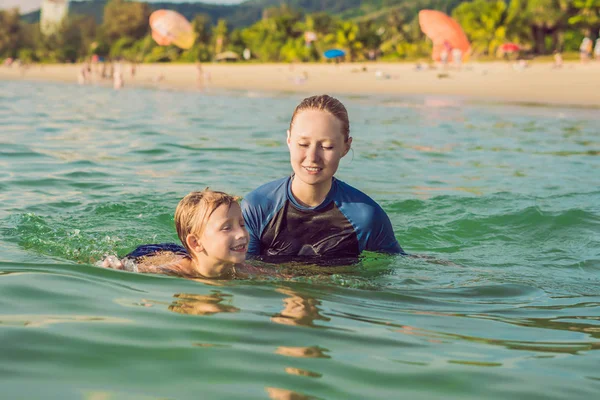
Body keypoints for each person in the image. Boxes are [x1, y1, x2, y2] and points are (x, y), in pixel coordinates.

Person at [241, 94, 406, 264]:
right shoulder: (258, 206)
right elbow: (243, 273)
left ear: (345, 147)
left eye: (327, 146)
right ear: (289, 140)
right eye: (303, 144)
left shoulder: (366, 217)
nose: (312, 157)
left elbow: (398, 268)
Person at [102, 189, 262, 279]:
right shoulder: (173, 271)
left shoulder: (241, 269)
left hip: (182, 251)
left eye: (242, 224)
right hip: (151, 253)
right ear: (196, 243)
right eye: (227, 228)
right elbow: (132, 270)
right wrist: (117, 268)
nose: (241, 234)